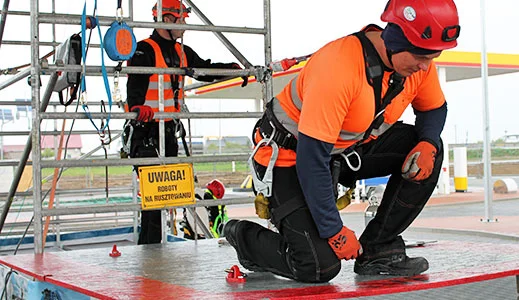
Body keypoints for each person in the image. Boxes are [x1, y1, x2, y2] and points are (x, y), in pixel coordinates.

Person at [223, 0, 460, 283]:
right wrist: (334, 232)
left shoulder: (417, 64)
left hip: (341, 153)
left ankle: (379, 249)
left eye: (432, 57)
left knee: (426, 150)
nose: (425, 66)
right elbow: (312, 161)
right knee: (318, 267)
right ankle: (243, 236)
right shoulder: (339, 66)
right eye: (421, 56)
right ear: (396, 39)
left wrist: (428, 142)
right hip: (290, 158)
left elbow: (434, 108)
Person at [126, 0, 242, 245]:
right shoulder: (143, 50)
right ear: (166, 20)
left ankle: (155, 249)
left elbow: (203, 69)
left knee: (164, 197)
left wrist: (232, 71)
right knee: (154, 198)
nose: (184, 26)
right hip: (145, 131)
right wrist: (137, 107)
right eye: (181, 20)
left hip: (167, 131)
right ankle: (149, 250)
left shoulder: (181, 52)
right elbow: (134, 83)